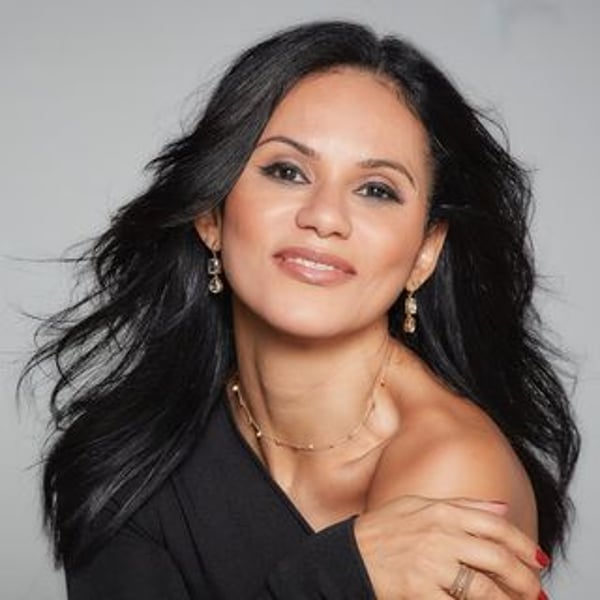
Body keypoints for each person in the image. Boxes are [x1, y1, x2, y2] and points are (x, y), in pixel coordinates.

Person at [22, 21, 580, 599]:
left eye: (377, 190)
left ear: (424, 252)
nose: (324, 217)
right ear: (211, 214)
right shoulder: (133, 452)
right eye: (287, 172)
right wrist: (342, 575)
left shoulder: (452, 468)